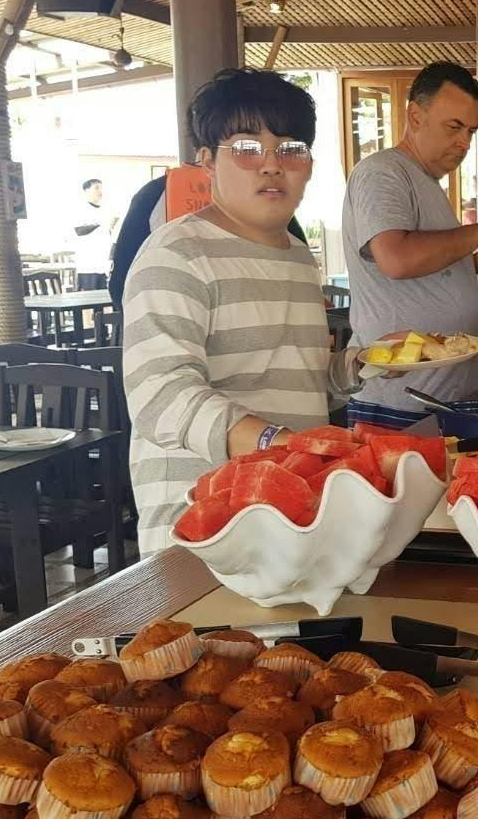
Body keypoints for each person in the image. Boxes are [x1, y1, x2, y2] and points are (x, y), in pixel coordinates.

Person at [122, 68, 363, 556]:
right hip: (199, 519)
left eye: (290, 148)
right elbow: (159, 395)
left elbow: (292, 376)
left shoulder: (297, 256)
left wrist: (355, 367)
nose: (272, 164)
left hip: (289, 509)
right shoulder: (176, 253)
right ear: (207, 161)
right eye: (248, 148)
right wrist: (276, 443)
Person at [341, 62, 478, 428]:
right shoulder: (384, 172)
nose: (464, 142)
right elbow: (396, 259)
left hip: (440, 398)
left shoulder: (427, 182)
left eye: (471, 131)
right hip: (398, 403)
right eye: (454, 127)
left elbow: (433, 269)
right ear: (415, 116)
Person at [109, 164, 306, 309]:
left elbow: (120, 285)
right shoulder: (267, 194)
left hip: (171, 333)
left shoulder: (152, 195)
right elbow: (301, 267)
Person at [73, 177, 116, 278]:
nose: (100, 191)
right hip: (88, 265)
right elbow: (79, 231)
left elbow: (108, 234)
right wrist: (101, 224)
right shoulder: (80, 208)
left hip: (104, 264)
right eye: (96, 188)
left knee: (102, 293)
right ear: (86, 190)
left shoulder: (105, 210)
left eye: (101, 188)